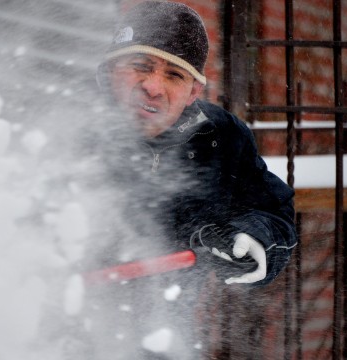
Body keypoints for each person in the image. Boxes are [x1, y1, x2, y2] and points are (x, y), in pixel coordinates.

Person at [79, 1, 298, 359]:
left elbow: (273, 212)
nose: (153, 86)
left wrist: (252, 238)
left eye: (174, 75)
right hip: (65, 331)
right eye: (141, 66)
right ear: (110, 70)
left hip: (166, 336)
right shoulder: (66, 129)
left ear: (193, 92)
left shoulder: (221, 137)